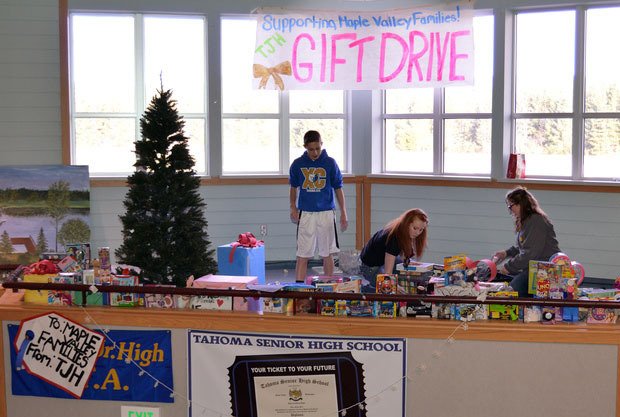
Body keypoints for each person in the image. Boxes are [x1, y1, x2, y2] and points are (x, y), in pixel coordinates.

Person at [289, 130, 348, 281]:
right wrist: (293, 207)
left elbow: (338, 188)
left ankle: (328, 288)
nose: (315, 152)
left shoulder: (330, 163)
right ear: (305, 147)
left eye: (317, 148)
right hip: (306, 213)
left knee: (327, 252)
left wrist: (344, 212)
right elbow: (293, 187)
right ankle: (299, 288)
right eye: (311, 149)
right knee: (303, 253)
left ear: (322, 144)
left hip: (326, 213)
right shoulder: (297, 164)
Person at [492, 186, 561, 297]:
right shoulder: (528, 221)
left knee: (511, 292)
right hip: (535, 267)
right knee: (511, 288)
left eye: (511, 206)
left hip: (545, 269)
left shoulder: (536, 221)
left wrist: (508, 267)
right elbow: (524, 246)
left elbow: (530, 253)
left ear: (520, 204)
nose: (510, 209)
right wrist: (506, 253)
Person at [359, 208, 429, 292]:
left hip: (382, 260)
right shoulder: (395, 238)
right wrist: (396, 286)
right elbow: (388, 273)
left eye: (421, 230)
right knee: (388, 288)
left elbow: (403, 258)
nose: (417, 233)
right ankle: (367, 289)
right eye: (415, 228)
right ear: (406, 224)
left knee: (405, 267)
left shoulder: (402, 231)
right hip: (370, 267)